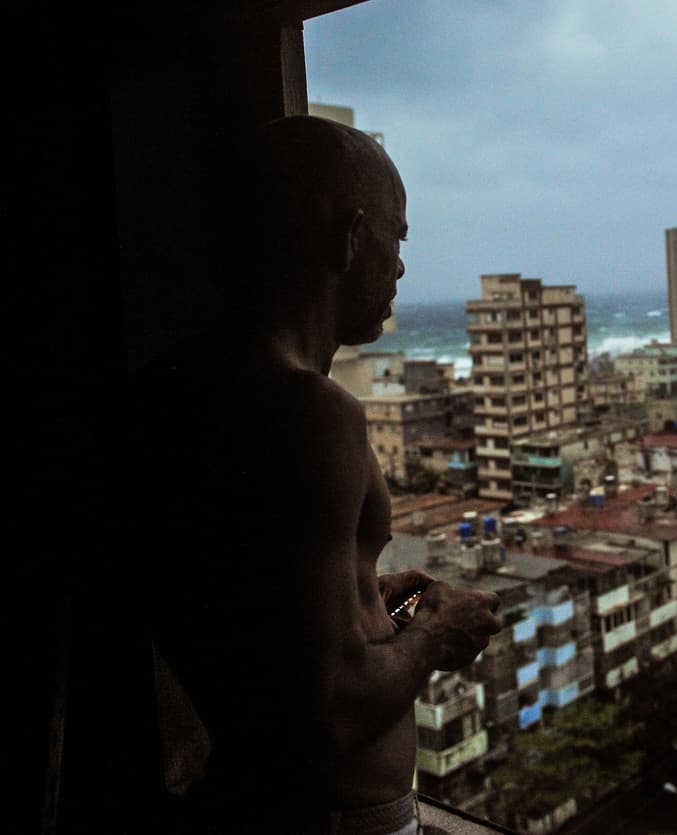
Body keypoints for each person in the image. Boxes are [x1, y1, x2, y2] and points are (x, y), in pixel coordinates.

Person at [134, 115, 501, 834]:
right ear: (351, 236)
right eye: (397, 239)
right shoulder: (309, 412)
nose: (399, 268)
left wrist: (367, 595)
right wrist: (436, 631)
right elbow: (325, 712)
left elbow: (253, 621)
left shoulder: (173, 391)